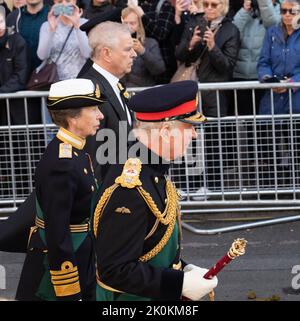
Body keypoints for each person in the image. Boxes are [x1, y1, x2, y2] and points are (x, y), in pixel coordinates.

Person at [93, 80, 218, 301]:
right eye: (189, 127)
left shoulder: (151, 170)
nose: (195, 135)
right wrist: (178, 283)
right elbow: (114, 270)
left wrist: (184, 270)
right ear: (167, 131)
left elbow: (149, 248)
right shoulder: (129, 187)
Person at [15, 78, 106, 301]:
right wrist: (69, 291)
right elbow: (58, 232)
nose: (100, 115)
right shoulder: (62, 163)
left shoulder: (75, 151)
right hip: (60, 266)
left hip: (82, 252)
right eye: (93, 109)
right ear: (72, 117)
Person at [175, 0, 240, 192]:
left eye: (214, 4)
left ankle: (212, 185)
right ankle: (191, 184)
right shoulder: (194, 23)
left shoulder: (231, 29)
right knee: (190, 138)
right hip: (190, 90)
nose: (210, 8)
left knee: (214, 140)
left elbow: (227, 67)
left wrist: (212, 46)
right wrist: (191, 44)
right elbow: (179, 54)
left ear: (223, 7)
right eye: (207, 4)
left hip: (214, 92)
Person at [79, 21, 137, 182]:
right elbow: (91, 155)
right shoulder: (90, 89)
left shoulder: (114, 84)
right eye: (127, 49)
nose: (134, 54)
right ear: (106, 53)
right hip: (105, 192)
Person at [257, 0, 300, 187]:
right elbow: (263, 61)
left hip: (296, 97)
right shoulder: (272, 32)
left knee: (296, 144)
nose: (287, 14)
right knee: (270, 144)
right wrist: (267, 79)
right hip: (273, 98)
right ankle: (273, 186)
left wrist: (291, 83)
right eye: (284, 11)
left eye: (292, 11)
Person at [37, 0, 91, 81]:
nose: (64, 4)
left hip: (80, 80)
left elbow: (87, 54)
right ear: (54, 3)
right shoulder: (46, 25)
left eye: (68, 1)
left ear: (75, 1)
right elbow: (42, 56)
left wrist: (77, 26)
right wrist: (52, 30)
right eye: (59, 2)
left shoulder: (85, 23)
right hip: (54, 81)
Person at [121, 6, 166, 87]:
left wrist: (142, 51)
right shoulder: (116, 43)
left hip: (142, 91)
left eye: (132, 23)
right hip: (120, 90)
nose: (128, 27)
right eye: (125, 23)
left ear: (139, 24)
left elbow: (159, 69)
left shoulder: (150, 43)